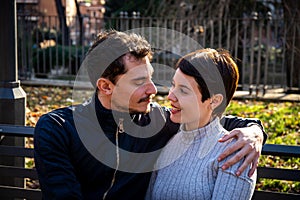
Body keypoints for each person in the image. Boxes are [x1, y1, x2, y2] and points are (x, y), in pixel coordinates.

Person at [34, 30, 265, 200]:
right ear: (105, 87)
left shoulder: (158, 122)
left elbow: (210, 118)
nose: (153, 89)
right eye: (139, 82)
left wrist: (254, 131)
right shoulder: (58, 129)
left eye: (150, 77)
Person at [146, 48, 257, 200]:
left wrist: (255, 131)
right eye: (173, 85)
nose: (170, 96)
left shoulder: (235, 153)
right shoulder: (169, 143)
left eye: (183, 91)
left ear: (214, 100)